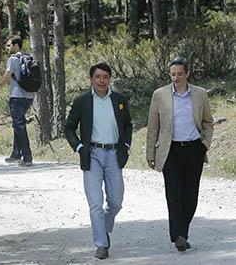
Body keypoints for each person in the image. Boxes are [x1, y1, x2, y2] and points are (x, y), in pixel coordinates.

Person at [64, 62, 132, 260]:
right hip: (92, 154)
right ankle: (101, 244)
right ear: (91, 79)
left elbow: (127, 125)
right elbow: (69, 128)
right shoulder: (82, 101)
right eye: (98, 77)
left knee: (116, 202)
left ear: (109, 79)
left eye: (105, 77)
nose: (101, 81)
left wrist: (125, 146)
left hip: (113, 154)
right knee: (95, 203)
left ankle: (104, 227)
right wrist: (79, 147)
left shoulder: (119, 100)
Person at [146, 57, 214, 252]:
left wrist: (204, 145)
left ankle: (181, 232)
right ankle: (179, 236)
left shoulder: (200, 94)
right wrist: (151, 153)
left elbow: (208, 123)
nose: (176, 78)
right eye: (173, 74)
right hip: (171, 151)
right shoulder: (160, 95)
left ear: (187, 73)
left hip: (194, 150)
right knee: (174, 194)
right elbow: (153, 127)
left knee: (191, 195)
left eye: (180, 74)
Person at [0, 35, 34, 167]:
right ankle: (16, 153)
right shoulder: (28, 57)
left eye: (9, 45)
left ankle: (27, 157)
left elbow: (7, 75)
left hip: (17, 96)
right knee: (18, 124)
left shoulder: (13, 59)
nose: (7, 48)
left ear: (16, 45)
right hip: (29, 96)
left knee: (19, 125)